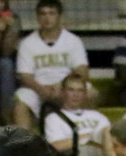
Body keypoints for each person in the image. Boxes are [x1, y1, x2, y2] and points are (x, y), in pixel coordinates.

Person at [13, 0, 89, 130]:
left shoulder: (73, 40)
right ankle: (24, 146)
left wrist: (61, 85)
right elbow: (25, 76)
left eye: (52, 13)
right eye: (43, 14)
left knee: (91, 93)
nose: (47, 18)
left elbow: (81, 70)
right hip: (37, 87)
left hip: (65, 85)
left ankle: (83, 133)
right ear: (37, 17)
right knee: (20, 104)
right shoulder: (27, 43)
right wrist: (42, 90)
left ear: (60, 17)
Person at [42, 72, 117, 156]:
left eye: (80, 90)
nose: (75, 95)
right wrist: (88, 137)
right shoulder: (54, 118)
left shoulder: (97, 115)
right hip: (77, 154)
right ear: (63, 92)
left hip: (104, 151)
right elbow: (56, 146)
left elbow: (112, 138)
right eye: (71, 90)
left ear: (85, 94)